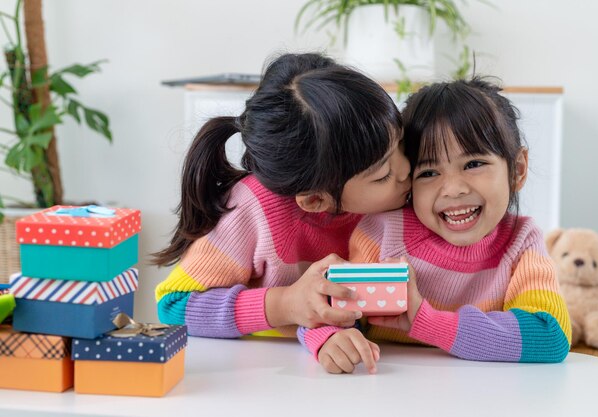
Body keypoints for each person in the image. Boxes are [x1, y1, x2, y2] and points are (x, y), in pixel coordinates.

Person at [299, 77, 572, 374]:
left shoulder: (521, 240)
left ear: (517, 170)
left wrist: (425, 321)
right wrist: (330, 338)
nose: (453, 189)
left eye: (473, 164)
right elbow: (322, 310)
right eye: (428, 171)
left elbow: (550, 335)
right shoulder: (383, 234)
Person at [153, 53, 411, 345]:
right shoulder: (252, 210)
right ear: (315, 200)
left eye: (402, 143)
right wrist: (286, 304)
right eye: (383, 174)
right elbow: (174, 307)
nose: (407, 170)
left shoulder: (402, 197)